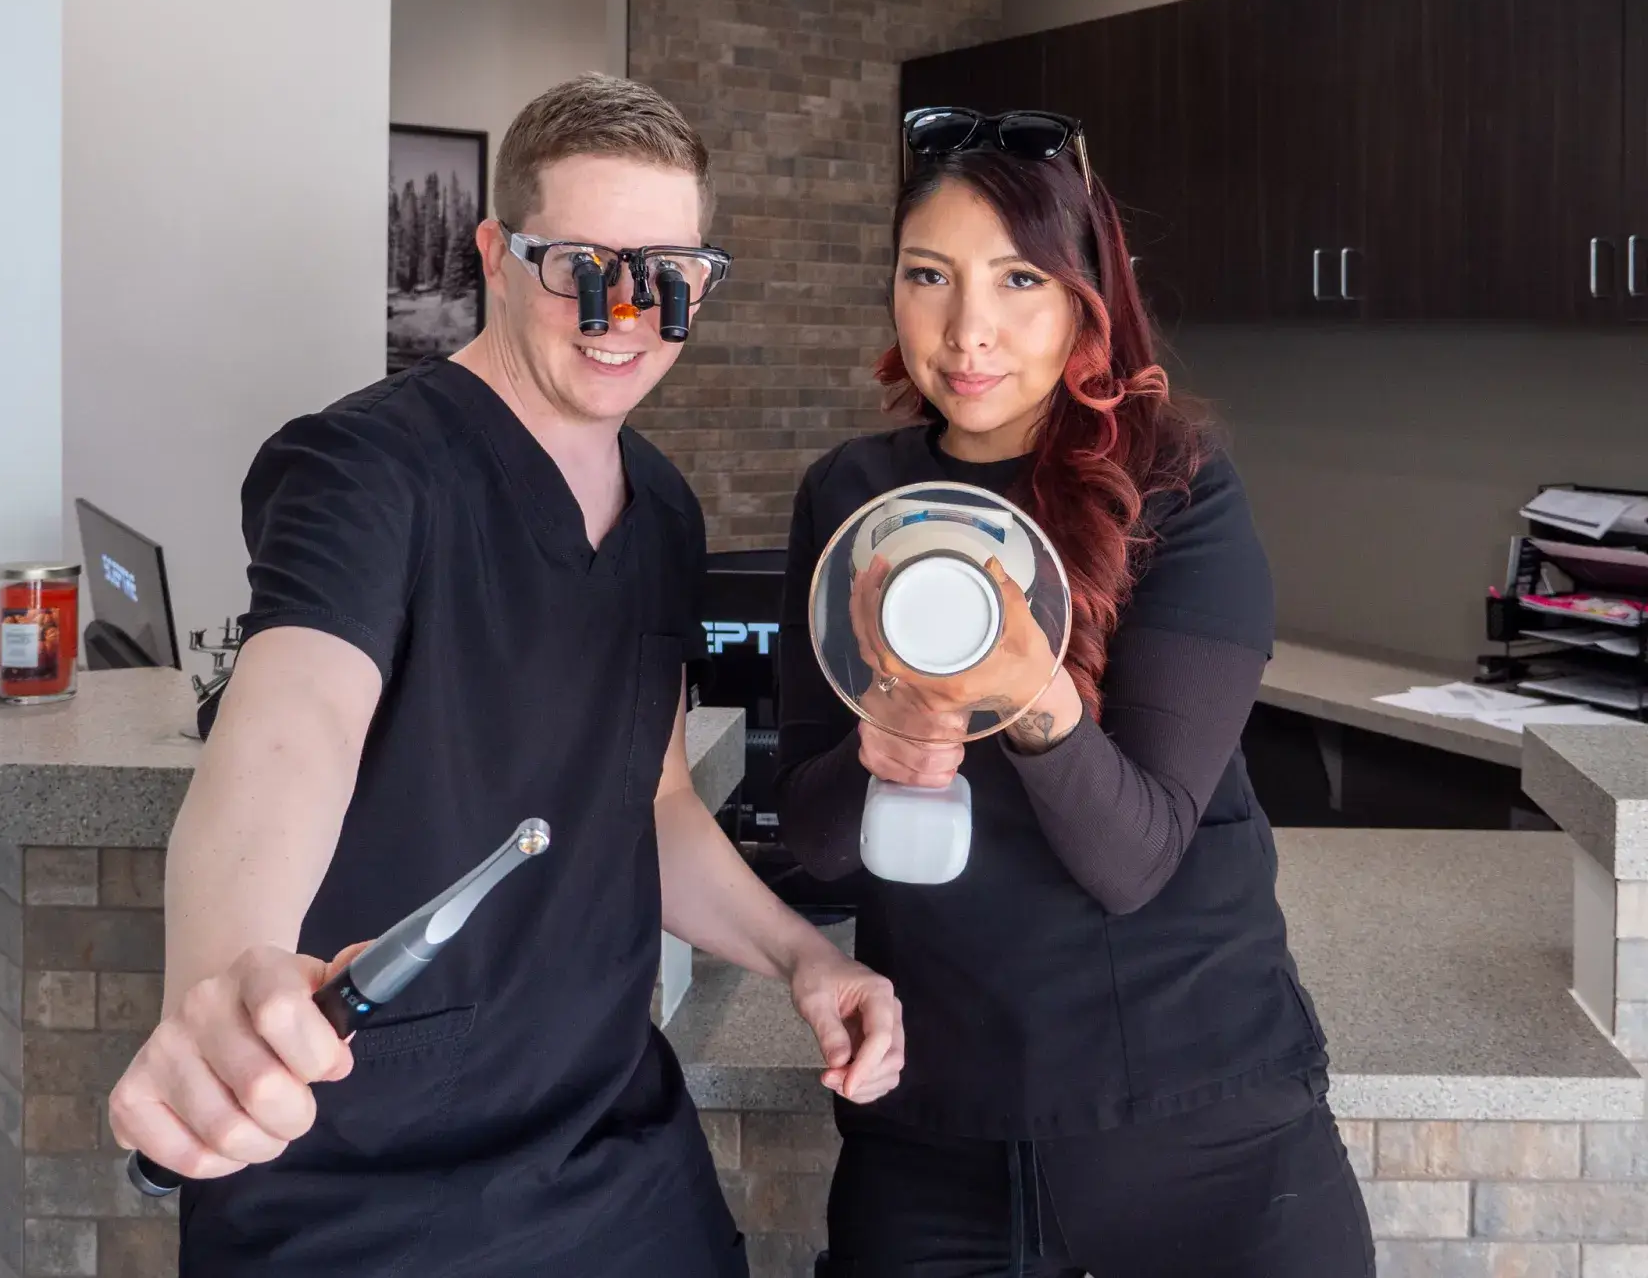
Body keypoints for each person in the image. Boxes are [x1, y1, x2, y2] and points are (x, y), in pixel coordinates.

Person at [107, 72, 905, 1278]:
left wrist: (807, 955)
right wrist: (225, 990)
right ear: (492, 251)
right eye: (577, 265)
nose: (621, 314)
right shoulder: (363, 470)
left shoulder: (665, 515)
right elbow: (292, 726)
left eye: (667, 278)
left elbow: (654, 800)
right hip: (363, 1171)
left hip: (613, 1150)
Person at [774, 106, 1375, 1278]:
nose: (966, 331)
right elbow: (812, 843)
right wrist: (878, 754)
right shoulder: (852, 497)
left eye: (1015, 281)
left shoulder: (1175, 490)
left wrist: (1031, 697)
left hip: (1199, 1125)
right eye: (927, 277)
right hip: (937, 1133)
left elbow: (1134, 856)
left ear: (1086, 299)